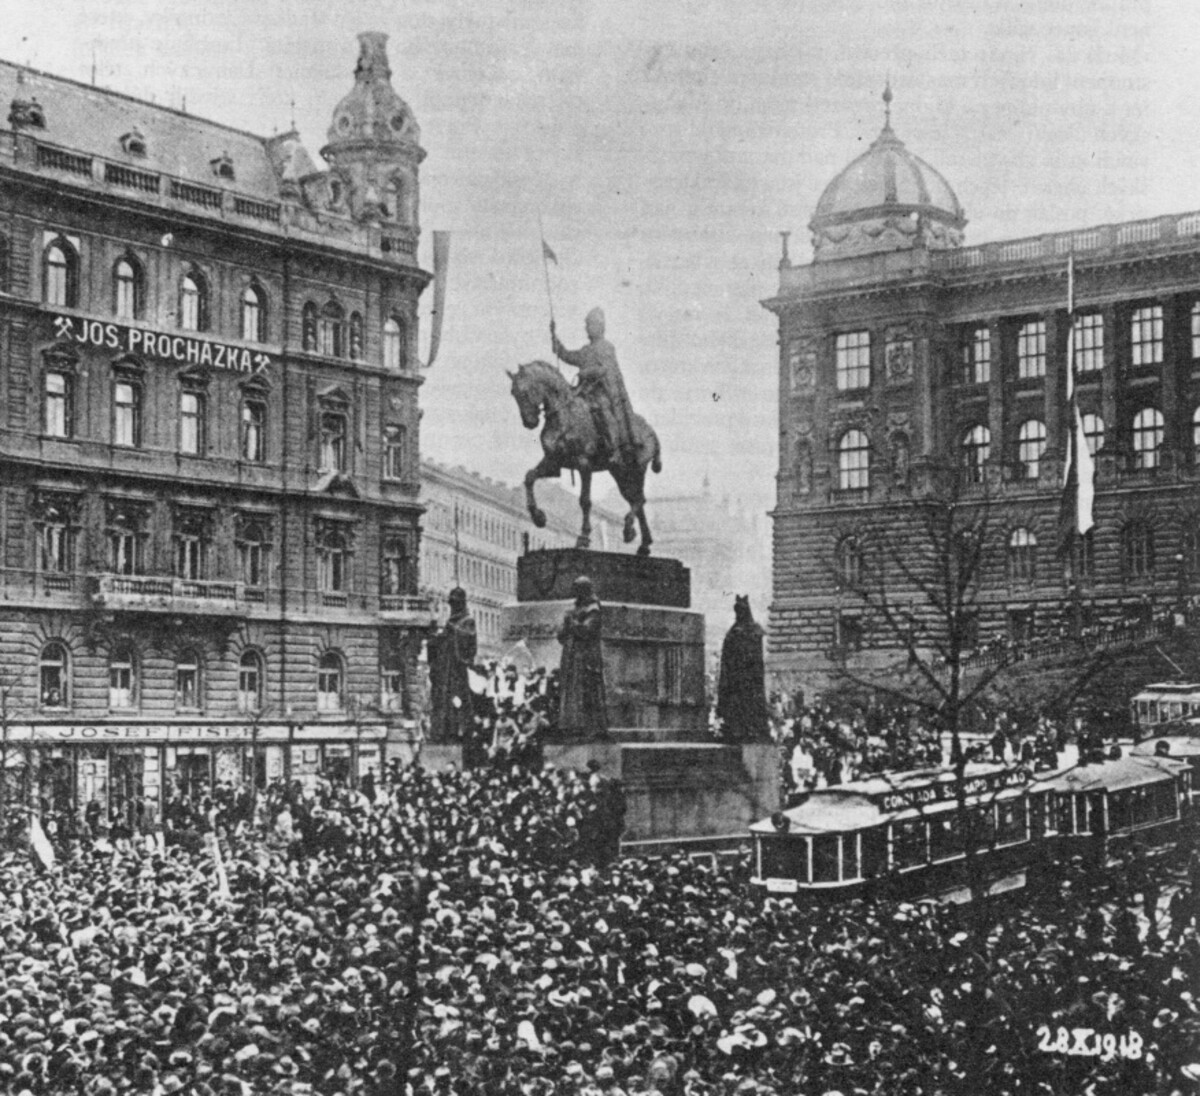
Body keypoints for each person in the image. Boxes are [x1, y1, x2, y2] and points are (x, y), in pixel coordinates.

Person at [551, 307, 638, 465]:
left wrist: (586, 373)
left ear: (599, 326)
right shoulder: (586, 350)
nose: (587, 329)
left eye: (589, 325)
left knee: (603, 411)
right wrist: (554, 337)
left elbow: (605, 369)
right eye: (586, 325)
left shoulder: (606, 347)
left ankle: (615, 450)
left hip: (602, 393)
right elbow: (567, 356)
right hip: (583, 393)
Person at [427, 587, 479, 752]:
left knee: (457, 700)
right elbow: (442, 641)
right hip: (445, 668)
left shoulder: (467, 620)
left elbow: (469, 640)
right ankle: (442, 731)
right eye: (452, 603)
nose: (453, 606)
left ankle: (457, 732)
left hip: (456, 670)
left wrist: (453, 631)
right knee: (442, 699)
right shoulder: (452, 620)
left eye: (455, 603)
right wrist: (436, 638)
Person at [558, 575, 608, 738]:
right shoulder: (574, 608)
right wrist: (564, 628)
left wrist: (572, 623)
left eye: (578, 589)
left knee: (586, 690)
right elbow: (561, 635)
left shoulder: (593, 608)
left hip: (585, 656)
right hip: (572, 655)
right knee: (572, 690)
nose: (575, 592)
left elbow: (588, 630)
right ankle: (571, 724)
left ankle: (589, 726)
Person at [716, 595, 770, 742]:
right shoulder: (733, 632)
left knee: (749, 707)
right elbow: (726, 660)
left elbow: (757, 659)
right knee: (737, 709)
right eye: (737, 610)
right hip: (736, 679)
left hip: (749, 679)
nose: (739, 613)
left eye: (741, 610)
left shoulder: (750, 631)